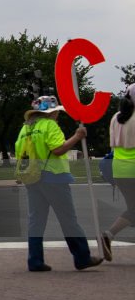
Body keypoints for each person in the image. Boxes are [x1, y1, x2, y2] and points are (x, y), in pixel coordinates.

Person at [16, 95, 103, 272]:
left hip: (32, 177)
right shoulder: (50, 125)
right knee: (68, 219)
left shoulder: (25, 128)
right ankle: (82, 257)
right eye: (57, 111)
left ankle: (35, 260)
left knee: (36, 221)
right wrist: (77, 136)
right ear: (51, 112)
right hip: (54, 177)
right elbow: (58, 149)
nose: (58, 115)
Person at [103, 83, 135, 261]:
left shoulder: (116, 117)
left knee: (133, 210)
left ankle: (108, 235)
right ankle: (108, 235)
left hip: (119, 169)